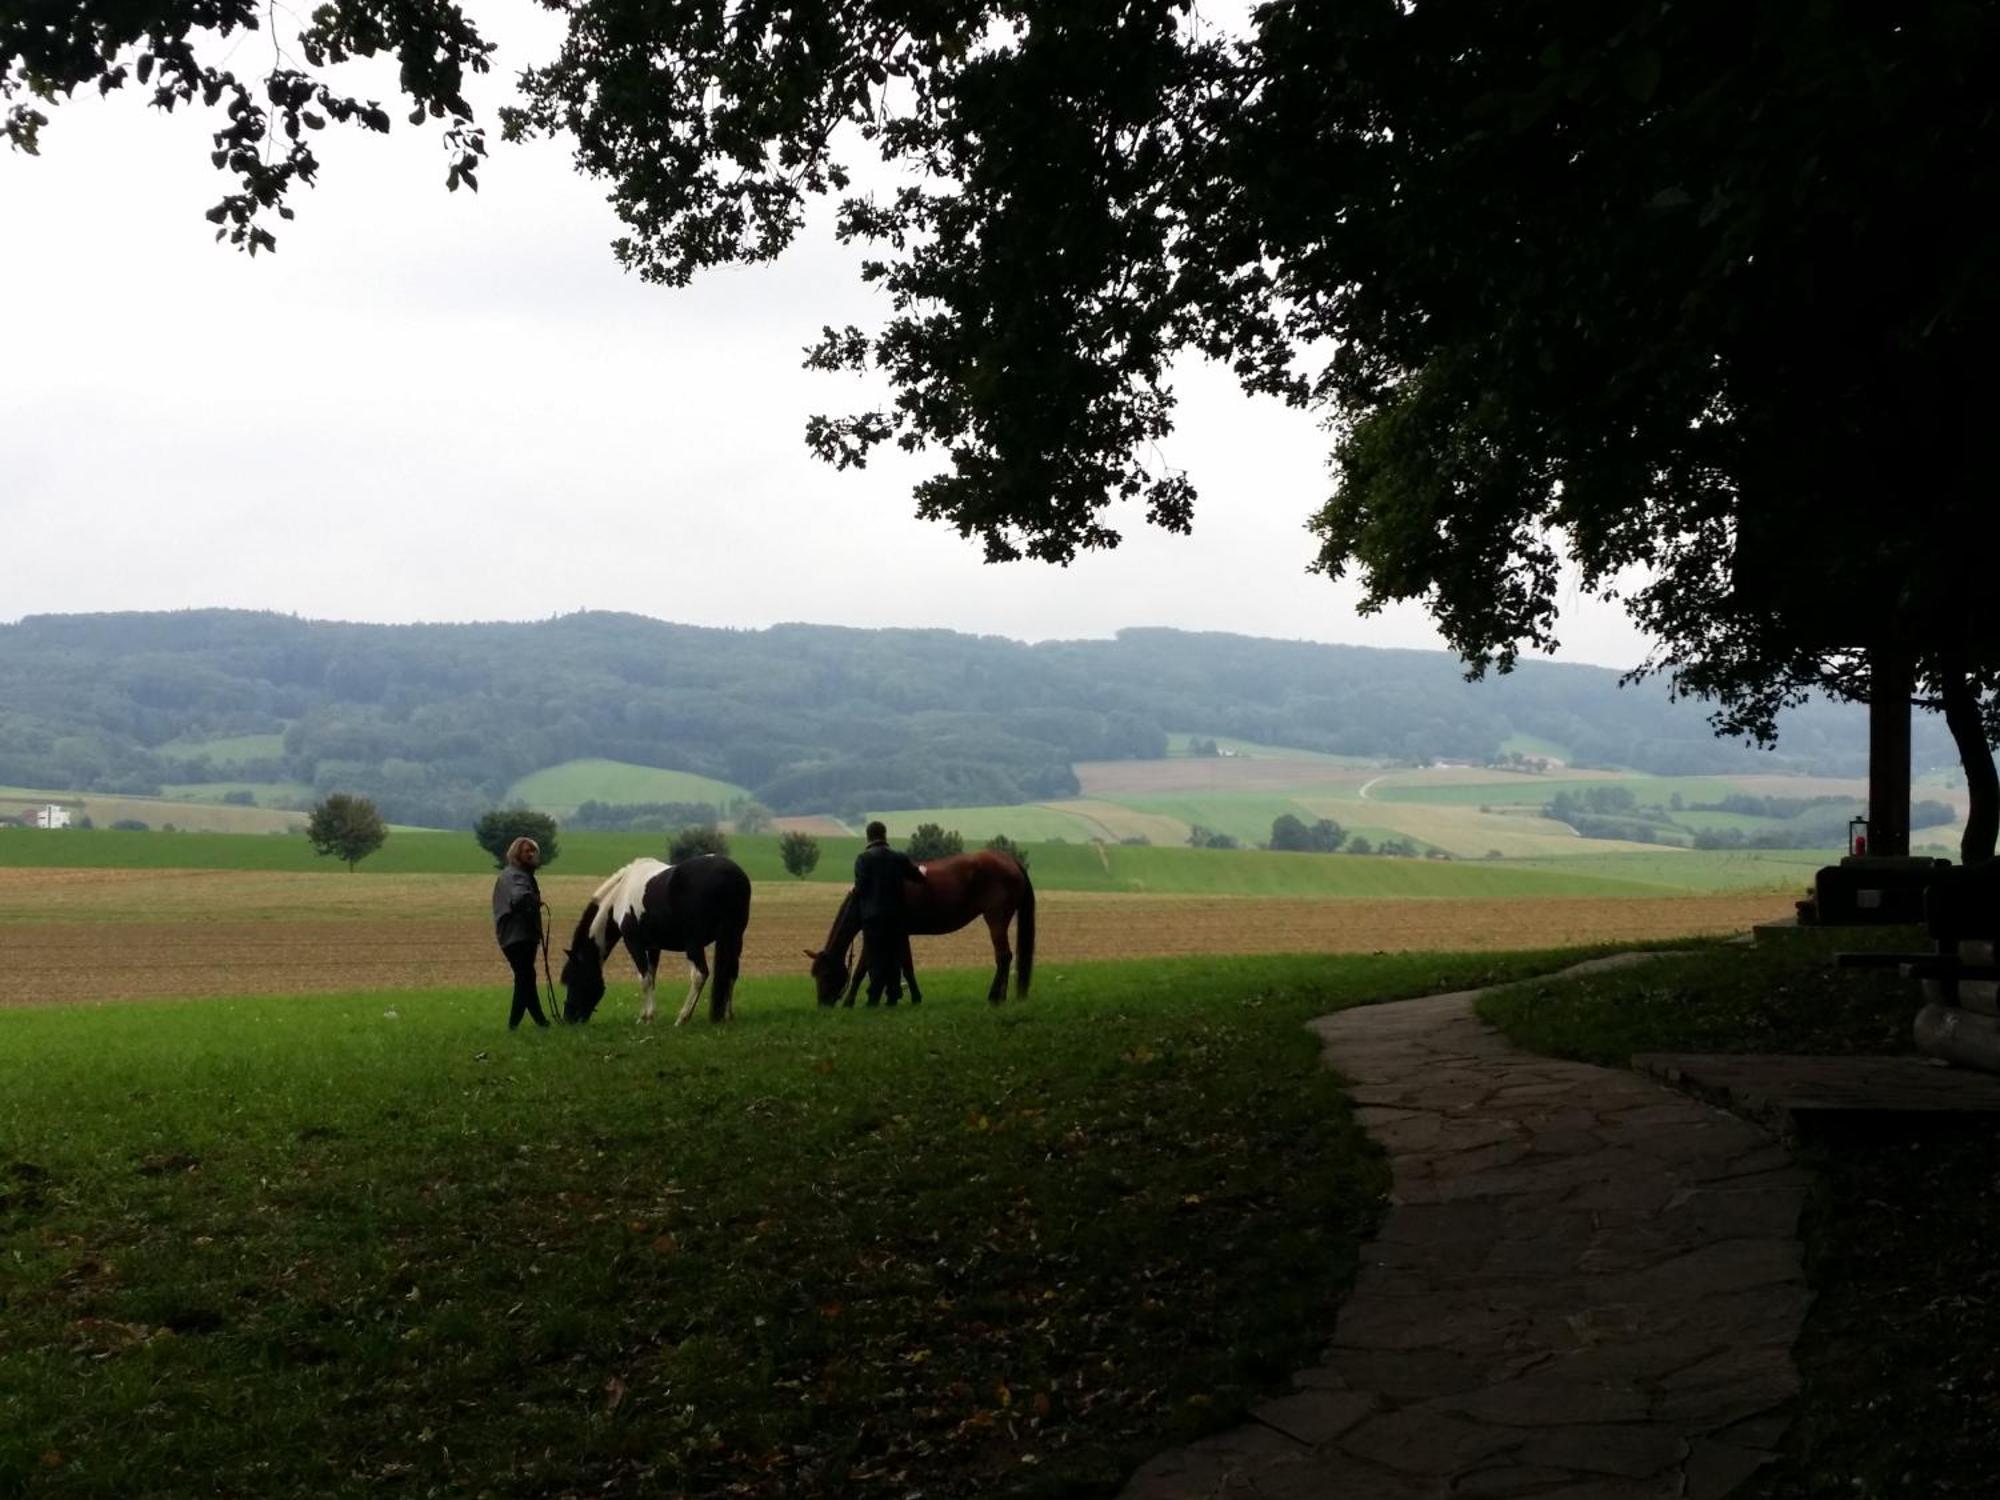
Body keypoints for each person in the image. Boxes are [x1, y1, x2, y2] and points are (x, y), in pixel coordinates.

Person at [852, 820, 924, 1006]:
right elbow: (918, 878)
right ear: (885, 835)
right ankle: (893, 995)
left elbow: (860, 889)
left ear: (869, 837)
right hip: (897, 917)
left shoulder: (863, 859)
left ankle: (873, 998)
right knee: (894, 957)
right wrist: (922, 870)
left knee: (875, 959)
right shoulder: (899, 858)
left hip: (873, 919)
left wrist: (853, 890)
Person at [492, 836, 550, 1029]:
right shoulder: (517, 875)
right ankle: (514, 1025)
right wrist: (534, 901)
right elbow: (519, 898)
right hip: (518, 935)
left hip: (513, 935)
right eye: (527, 851)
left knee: (526, 978)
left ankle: (540, 1022)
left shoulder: (514, 874)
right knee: (525, 979)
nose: (532, 854)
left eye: (534, 851)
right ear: (517, 854)